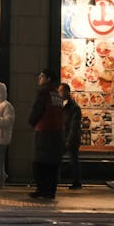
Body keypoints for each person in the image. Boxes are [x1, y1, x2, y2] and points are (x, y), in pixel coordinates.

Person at [28, 68, 64, 200]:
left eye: (42, 76)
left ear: (48, 79)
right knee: (52, 163)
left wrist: (32, 122)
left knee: (39, 162)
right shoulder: (57, 94)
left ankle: (41, 189)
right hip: (57, 132)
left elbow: (37, 110)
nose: (39, 79)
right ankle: (50, 191)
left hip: (43, 131)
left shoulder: (44, 92)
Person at [59, 83, 83, 190]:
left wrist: (69, 139)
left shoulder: (74, 107)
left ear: (67, 92)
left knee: (73, 160)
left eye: (61, 91)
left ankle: (76, 181)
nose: (59, 93)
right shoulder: (61, 104)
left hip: (71, 138)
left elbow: (74, 125)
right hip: (63, 136)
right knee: (63, 159)